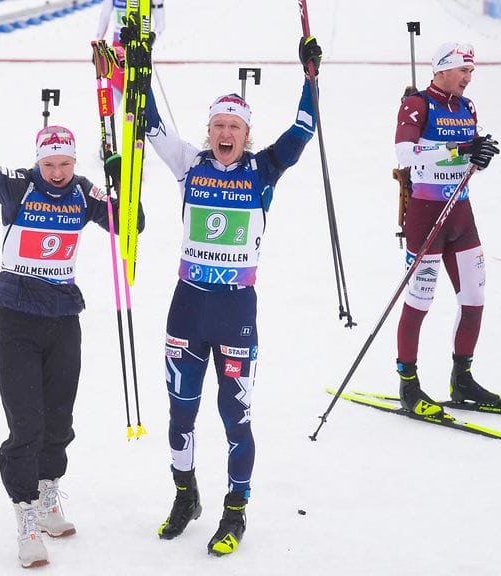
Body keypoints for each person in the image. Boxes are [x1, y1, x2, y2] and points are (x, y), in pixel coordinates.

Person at [0, 99, 141, 567]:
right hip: (18, 319)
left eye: (65, 163)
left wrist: (122, 178)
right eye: (50, 164)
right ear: (38, 161)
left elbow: (132, 225)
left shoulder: (84, 194)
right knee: (27, 424)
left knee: (59, 422)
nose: (59, 172)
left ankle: (48, 497)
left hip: (64, 319)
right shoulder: (18, 187)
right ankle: (25, 515)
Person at [142, 36, 320, 556]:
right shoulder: (188, 163)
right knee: (180, 412)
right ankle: (185, 496)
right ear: (209, 131)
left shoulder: (262, 172)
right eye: (218, 126)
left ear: (246, 135)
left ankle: (235, 510)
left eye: (234, 128)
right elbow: (151, 124)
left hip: (236, 310)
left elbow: (304, 129)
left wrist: (310, 77)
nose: (225, 134)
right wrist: (140, 65)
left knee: (234, 415)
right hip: (188, 305)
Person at [392, 42, 501, 417]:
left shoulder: (467, 107)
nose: (468, 79)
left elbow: (468, 156)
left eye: (471, 72)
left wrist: (478, 157)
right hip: (426, 216)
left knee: (474, 299)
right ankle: (409, 384)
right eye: (463, 71)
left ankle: (462, 378)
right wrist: (459, 149)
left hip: (461, 214)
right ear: (441, 69)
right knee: (419, 302)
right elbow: (405, 154)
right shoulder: (418, 104)